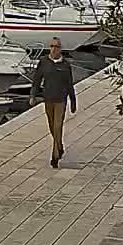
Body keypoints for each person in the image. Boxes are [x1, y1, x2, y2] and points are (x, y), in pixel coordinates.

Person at [30, 39, 77, 167]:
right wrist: (33, 95)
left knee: (58, 126)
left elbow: (69, 84)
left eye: (56, 46)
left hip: (61, 100)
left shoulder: (65, 65)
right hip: (48, 99)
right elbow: (37, 79)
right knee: (51, 126)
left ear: (60, 48)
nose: (54, 49)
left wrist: (73, 101)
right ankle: (59, 145)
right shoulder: (44, 62)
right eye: (52, 46)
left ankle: (55, 155)